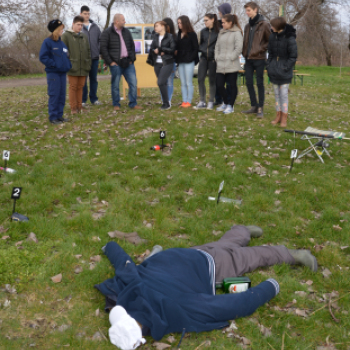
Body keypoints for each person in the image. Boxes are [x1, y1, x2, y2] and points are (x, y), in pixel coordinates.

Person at [95, 225, 317, 349]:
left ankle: (291, 254)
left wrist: (271, 287)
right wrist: (109, 246)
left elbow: (233, 305)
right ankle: (242, 230)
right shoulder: (127, 287)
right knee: (223, 246)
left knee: (247, 257)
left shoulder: (175, 307)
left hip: (208, 265)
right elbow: (122, 261)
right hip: (179, 254)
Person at [100, 14, 142, 111]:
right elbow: (103, 49)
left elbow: (132, 45)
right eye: (123, 20)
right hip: (116, 64)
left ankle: (133, 103)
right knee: (115, 85)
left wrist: (132, 59)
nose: (125, 21)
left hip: (128, 63)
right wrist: (110, 62)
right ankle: (116, 104)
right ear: (116, 21)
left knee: (133, 83)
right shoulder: (107, 33)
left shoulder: (127, 32)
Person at [242, 1, 271, 118]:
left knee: (259, 83)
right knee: (249, 82)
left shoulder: (264, 24)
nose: (246, 12)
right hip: (248, 59)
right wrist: (244, 52)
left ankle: (260, 108)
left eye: (248, 10)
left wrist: (260, 49)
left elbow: (270, 41)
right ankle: (253, 106)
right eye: (246, 10)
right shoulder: (247, 26)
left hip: (259, 58)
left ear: (255, 10)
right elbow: (246, 42)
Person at [39, 20, 72, 125]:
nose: (62, 30)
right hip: (53, 73)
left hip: (62, 73)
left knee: (62, 95)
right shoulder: (47, 42)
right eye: (60, 28)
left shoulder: (61, 43)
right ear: (55, 30)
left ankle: (59, 116)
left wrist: (68, 64)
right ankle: (53, 117)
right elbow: (43, 57)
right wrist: (54, 64)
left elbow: (66, 56)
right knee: (54, 94)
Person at [267, 17, 297, 128]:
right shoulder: (272, 37)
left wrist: (285, 68)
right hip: (274, 71)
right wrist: (269, 66)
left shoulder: (290, 38)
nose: (271, 27)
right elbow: (270, 53)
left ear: (278, 26)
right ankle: (277, 115)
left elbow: (293, 56)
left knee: (283, 95)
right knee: (276, 95)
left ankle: (284, 117)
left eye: (273, 25)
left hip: (285, 72)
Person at [62, 16, 91, 115]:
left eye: (81, 25)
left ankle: (80, 106)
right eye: (78, 24)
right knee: (73, 87)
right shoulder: (66, 35)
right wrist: (68, 63)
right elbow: (63, 52)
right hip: (72, 66)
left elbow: (88, 50)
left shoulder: (84, 36)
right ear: (73, 24)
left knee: (81, 87)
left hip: (83, 66)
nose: (80, 27)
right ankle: (73, 108)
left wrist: (88, 62)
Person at [215, 14, 243, 115]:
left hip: (231, 64)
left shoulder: (237, 33)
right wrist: (217, 57)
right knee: (219, 85)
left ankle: (230, 105)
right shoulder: (221, 33)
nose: (222, 24)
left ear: (230, 23)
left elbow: (239, 48)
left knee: (231, 85)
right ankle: (225, 103)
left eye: (224, 22)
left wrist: (231, 57)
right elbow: (217, 46)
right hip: (220, 64)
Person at [147, 21, 176, 110]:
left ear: (163, 26)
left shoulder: (170, 36)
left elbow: (172, 49)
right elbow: (152, 48)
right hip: (157, 63)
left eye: (157, 26)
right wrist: (154, 50)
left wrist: (161, 49)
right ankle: (166, 103)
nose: (155, 28)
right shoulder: (155, 37)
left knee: (160, 82)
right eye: (154, 26)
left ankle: (166, 103)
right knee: (162, 83)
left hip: (167, 62)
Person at [194, 14, 220, 110]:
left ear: (212, 20)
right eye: (204, 20)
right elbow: (199, 44)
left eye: (206, 20)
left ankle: (211, 101)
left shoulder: (218, 32)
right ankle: (202, 101)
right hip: (203, 58)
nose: (204, 22)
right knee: (200, 79)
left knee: (212, 81)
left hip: (213, 60)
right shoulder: (202, 32)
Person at [80, 5, 102, 107]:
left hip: (94, 58)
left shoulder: (95, 27)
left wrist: (98, 51)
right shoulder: (79, 27)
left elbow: (100, 41)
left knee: (94, 79)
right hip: (83, 59)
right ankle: (83, 100)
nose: (87, 15)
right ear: (81, 14)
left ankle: (94, 99)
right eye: (85, 13)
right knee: (83, 80)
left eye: (88, 13)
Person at [176, 15, 199, 108]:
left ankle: (188, 101)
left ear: (185, 23)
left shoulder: (192, 34)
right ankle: (184, 101)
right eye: (178, 23)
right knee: (183, 82)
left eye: (180, 23)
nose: (179, 25)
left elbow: (196, 48)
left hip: (189, 61)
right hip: (180, 61)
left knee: (189, 82)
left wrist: (190, 58)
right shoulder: (178, 34)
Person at [214, 3, 232, 106]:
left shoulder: (231, 24)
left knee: (229, 81)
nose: (219, 13)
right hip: (219, 56)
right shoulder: (217, 24)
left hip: (229, 56)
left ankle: (228, 100)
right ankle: (218, 99)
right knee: (219, 80)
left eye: (220, 11)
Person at [162, 17, 177, 106]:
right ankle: (164, 99)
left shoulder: (173, 37)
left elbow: (174, 50)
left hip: (171, 61)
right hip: (161, 62)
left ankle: (169, 100)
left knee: (169, 81)